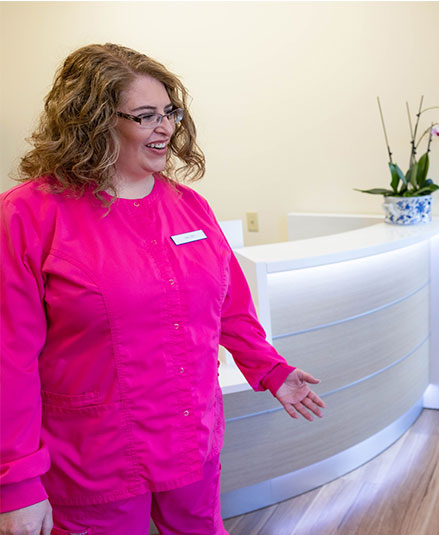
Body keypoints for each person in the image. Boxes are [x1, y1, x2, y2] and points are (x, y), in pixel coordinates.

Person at [0, 43, 325, 535]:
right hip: (92, 456)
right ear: (91, 122)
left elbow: (230, 306)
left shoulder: (189, 206)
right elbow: (10, 360)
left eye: (170, 112)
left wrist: (270, 369)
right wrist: (18, 483)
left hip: (189, 438)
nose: (166, 128)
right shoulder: (28, 215)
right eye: (146, 115)